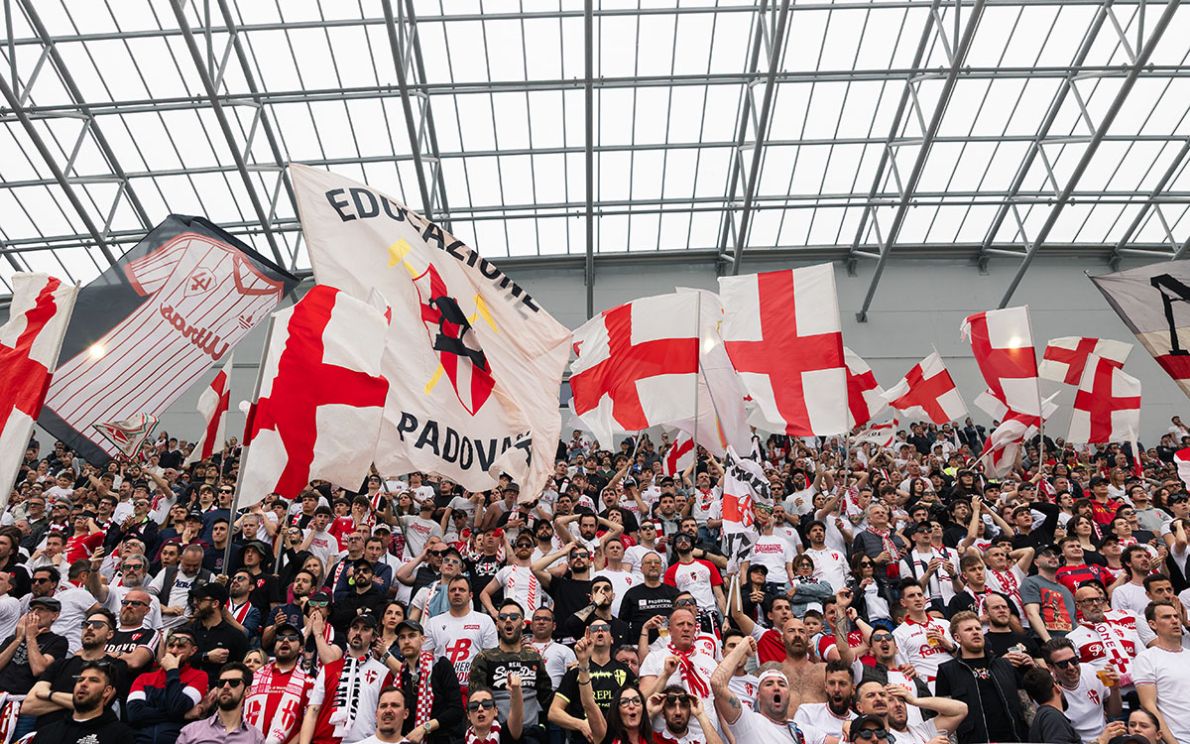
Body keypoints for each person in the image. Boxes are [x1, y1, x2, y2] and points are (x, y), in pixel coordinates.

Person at [22, 608, 129, 726]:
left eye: (98, 625)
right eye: (85, 624)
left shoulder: (115, 666)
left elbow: (99, 704)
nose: (89, 628)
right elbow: (28, 706)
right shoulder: (60, 664)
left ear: (110, 634)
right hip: (47, 733)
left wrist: (50, 695)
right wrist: (81, 701)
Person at [934, 610, 1028, 743]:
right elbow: (945, 717)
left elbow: (1026, 705)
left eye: (978, 628)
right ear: (957, 638)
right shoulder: (947, 671)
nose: (975, 632)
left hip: (1015, 738)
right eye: (968, 629)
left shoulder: (1005, 665)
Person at [299, 613, 393, 744]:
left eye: (365, 629)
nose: (358, 632)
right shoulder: (328, 669)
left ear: (374, 637)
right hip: (325, 740)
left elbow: (386, 716)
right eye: (355, 628)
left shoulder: (383, 673)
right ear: (348, 633)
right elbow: (313, 711)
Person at [468, 599, 552, 743]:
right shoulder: (484, 657)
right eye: (502, 618)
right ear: (497, 624)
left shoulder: (534, 657)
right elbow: (476, 701)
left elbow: (547, 700)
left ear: (524, 623)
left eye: (513, 617)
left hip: (531, 733)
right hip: (497, 734)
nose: (508, 620)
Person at [710, 636, 819, 743]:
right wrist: (744, 644)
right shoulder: (748, 722)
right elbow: (717, 683)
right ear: (758, 695)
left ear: (789, 694)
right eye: (769, 684)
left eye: (781, 684)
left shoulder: (803, 730)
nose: (776, 687)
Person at [638, 607, 719, 739]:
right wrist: (665, 674)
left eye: (690, 625)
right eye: (680, 624)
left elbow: (717, 704)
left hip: (706, 737)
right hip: (666, 739)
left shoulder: (709, 662)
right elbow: (642, 700)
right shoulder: (655, 658)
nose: (686, 628)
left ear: (695, 630)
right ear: (669, 630)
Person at [550, 624, 636, 744]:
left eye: (605, 628)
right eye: (594, 629)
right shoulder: (576, 671)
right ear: (588, 638)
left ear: (612, 639)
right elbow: (554, 712)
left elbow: (641, 702)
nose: (600, 630)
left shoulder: (625, 671)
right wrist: (580, 724)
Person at [127, 626, 211, 744]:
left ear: (193, 651)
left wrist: (172, 670)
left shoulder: (200, 676)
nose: (174, 651)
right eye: (171, 646)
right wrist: (183, 715)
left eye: (181, 646)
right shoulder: (143, 678)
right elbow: (134, 715)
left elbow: (177, 707)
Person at [421, 575, 497, 697]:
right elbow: (425, 659)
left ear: (471, 595)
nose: (457, 593)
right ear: (447, 595)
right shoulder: (433, 623)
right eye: (453, 590)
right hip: (442, 691)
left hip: (474, 691)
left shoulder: (485, 621)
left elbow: (492, 660)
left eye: (461, 590)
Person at [28, 659, 135, 744]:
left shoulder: (120, 735)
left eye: (93, 680)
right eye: (80, 679)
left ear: (107, 691)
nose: (83, 684)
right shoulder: (46, 732)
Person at [392, 619, 464, 744]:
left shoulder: (440, 665)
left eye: (412, 635)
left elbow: (456, 710)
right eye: (402, 637)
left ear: (423, 639)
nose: (407, 641)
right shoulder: (400, 677)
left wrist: (425, 728)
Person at [1040, 637, 1121, 744]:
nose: (1071, 667)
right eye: (1063, 664)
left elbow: (1115, 712)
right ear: (1051, 668)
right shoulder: (1049, 692)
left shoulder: (1091, 671)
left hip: (1108, 737)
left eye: (1074, 661)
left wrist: (1114, 689)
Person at [243, 623, 312, 744]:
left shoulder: (309, 683)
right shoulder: (253, 678)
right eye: (280, 637)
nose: (285, 640)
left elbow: (309, 723)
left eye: (292, 638)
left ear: (301, 648)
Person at [1134, 600, 1190, 744]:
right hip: (1178, 738)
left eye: (1176, 616)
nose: (1174, 621)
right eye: (1166, 617)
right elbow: (1149, 705)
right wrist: (1173, 743)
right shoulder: (1146, 658)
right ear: (1152, 624)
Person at [175, 662, 266, 744]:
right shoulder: (191, 731)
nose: (226, 686)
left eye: (234, 682)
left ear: (247, 690)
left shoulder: (256, 738)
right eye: (221, 683)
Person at [189, 582, 250, 688]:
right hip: (187, 687)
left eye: (200, 600)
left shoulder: (235, 635)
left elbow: (243, 668)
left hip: (219, 690)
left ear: (215, 604)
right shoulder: (189, 631)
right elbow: (177, 658)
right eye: (194, 600)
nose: (195, 603)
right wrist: (206, 656)